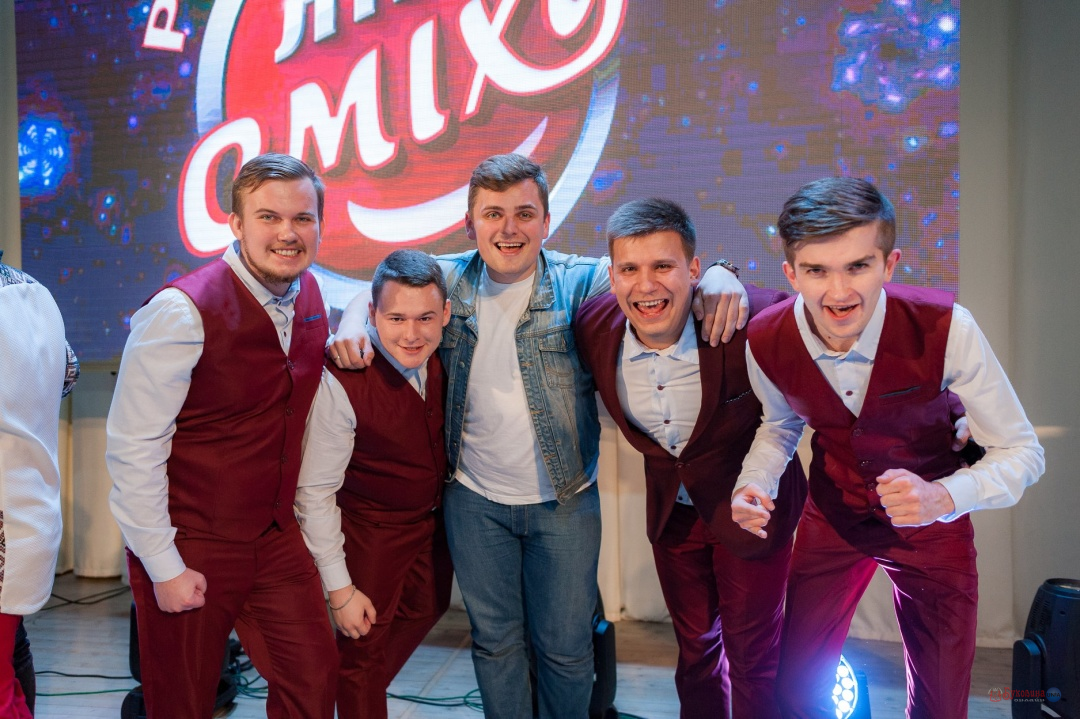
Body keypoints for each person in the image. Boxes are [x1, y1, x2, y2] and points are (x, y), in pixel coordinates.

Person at [329, 153, 748, 719]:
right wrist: (352, 318)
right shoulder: (446, 279)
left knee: (567, 650)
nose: (509, 228)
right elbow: (380, 287)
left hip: (566, 501)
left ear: (547, 222)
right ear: (470, 222)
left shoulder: (582, 280)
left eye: (524, 213)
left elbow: (654, 275)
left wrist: (720, 270)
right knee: (495, 644)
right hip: (474, 502)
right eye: (493, 214)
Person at [731, 177, 1045, 719]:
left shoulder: (947, 327)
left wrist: (943, 497)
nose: (838, 292)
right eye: (816, 271)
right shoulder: (764, 337)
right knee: (797, 689)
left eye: (858, 266)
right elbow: (779, 425)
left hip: (934, 524)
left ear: (889, 263)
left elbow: (1023, 452)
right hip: (833, 517)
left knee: (941, 702)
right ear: (791, 273)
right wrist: (753, 482)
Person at [106, 153, 338, 718]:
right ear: (236, 224)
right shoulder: (180, 312)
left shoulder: (310, 294)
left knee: (313, 681)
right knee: (181, 703)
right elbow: (133, 448)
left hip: (275, 536)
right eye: (268, 217)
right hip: (192, 539)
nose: (287, 233)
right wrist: (163, 565)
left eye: (302, 218)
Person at [573, 198, 805, 719]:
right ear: (612, 276)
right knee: (696, 651)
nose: (645, 285)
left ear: (694, 269)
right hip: (673, 516)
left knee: (753, 660)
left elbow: (805, 391)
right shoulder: (593, 327)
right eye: (629, 269)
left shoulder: (754, 316)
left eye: (663, 266)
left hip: (752, 512)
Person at [295, 249, 453, 718]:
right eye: (396, 318)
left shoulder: (445, 355)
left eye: (425, 318)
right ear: (372, 314)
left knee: (426, 608)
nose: (412, 334)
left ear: (445, 314)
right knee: (361, 649)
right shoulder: (343, 380)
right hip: (369, 535)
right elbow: (313, 493)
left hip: (430, 527)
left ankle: (343, 688)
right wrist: (340, 589)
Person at [0, 258, 79, 719]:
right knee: (12, 654)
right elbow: (68, 376)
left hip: (6, 518)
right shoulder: (34, 289)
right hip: (31, 508)